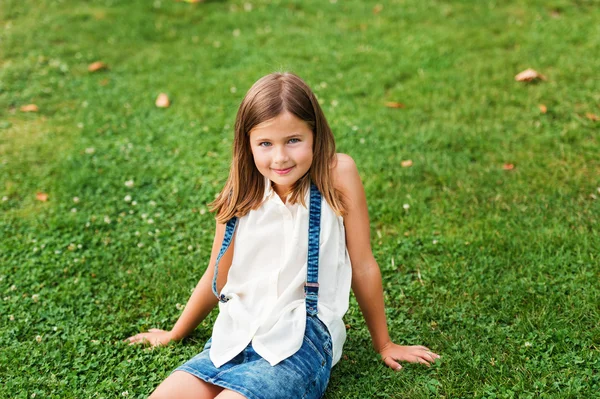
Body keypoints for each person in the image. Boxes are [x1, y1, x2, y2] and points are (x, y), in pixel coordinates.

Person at [125, 72, 440, 399]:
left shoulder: (337, 175)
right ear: (247, 144)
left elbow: (362, 265)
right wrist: (175, 334)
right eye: (265, 144)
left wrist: (385, 343)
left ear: (315, 134)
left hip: (301, 342)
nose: (280, 158)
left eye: (293, 140)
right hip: (235, 335)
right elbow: (215, 278)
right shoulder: (239, 194)